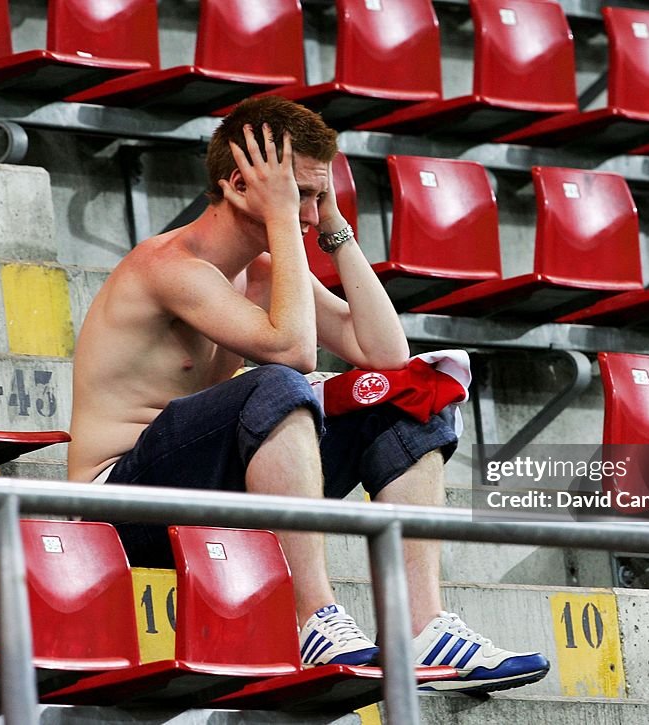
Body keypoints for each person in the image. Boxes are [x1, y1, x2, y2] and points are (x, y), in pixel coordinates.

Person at [67, 96, 548, 693]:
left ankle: (420, 627)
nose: (308, 211)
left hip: (216, 487)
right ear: (241, 184)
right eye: (300, 193)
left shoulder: (266, 273)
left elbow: (384, 353)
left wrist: (334, 229)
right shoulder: (167, 265)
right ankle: (313, 618)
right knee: (277, 384)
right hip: (123, 505)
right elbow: (292, 352)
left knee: (410, 391)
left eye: (318, 195)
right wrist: (282, 219)